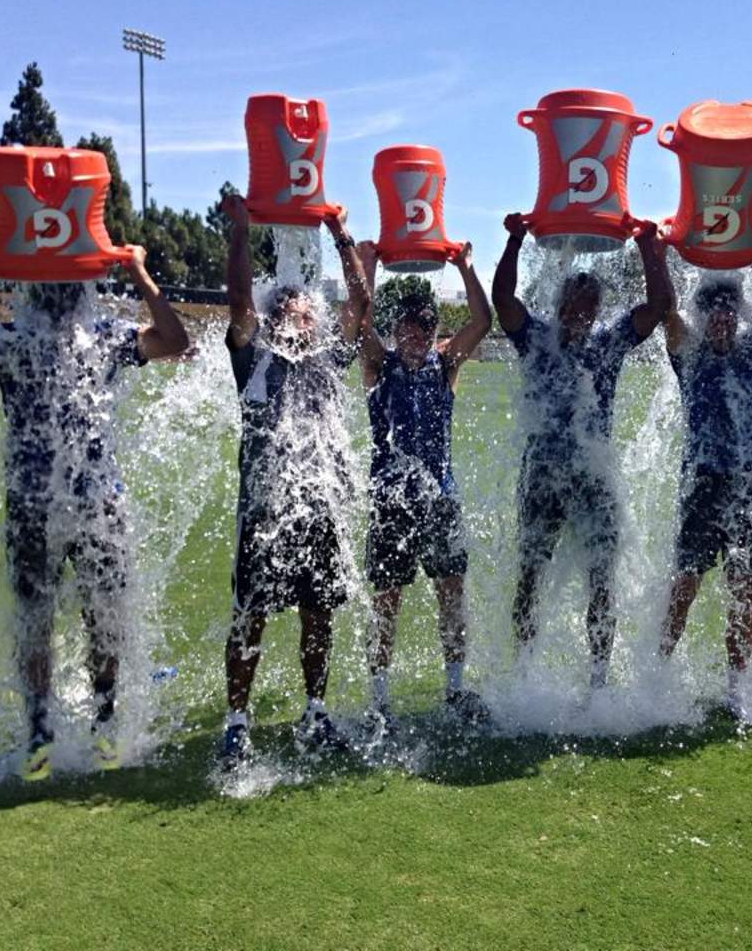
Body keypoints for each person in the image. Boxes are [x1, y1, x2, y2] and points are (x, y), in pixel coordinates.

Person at [0, 244, 189, 780]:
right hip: (34, 502)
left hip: (98, 502)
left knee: (104, 616)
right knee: (35, 617)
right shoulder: (10, 339)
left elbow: (173, 341)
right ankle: (40, 729)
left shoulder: (104, 337)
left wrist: (139, 271)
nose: (60, 291)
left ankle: (103, 719)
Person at [492, 213, 674, 689]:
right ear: (559, 305)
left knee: (601, 580)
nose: (581, 314)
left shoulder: (607, 344)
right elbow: (503, 301)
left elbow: (658, 307)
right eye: (573, 305)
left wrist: (647, 246)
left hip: (594, 479)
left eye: (589, 308)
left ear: (596, 312)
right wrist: (514, 241)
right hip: (542, 478)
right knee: (530, 576)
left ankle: (598, 678)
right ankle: (524, 672)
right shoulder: (536, 340)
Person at [218, 195, 365, 768]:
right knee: (249, 615)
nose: (305, 321)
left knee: (318, 614)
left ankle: (316, 712)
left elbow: (360, 303)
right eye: (295, 314)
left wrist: (341, 233)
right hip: (264, 511)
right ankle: (236, 724)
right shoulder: (252, 359)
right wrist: (240, 231)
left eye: (308, 315)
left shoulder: (328, 362)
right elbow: (238, 301)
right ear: (275, 319)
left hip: (318, 509)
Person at [657, 227, 752, 711]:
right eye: (712, 312)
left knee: (744, 588)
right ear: (702, 317)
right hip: (703, 484)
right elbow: (666, 312)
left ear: (736, 315)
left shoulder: (749, 353)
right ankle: (656, 675)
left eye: (728, 312)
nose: (721, 319)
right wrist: (656, 253)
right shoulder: (689, 356)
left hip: (748, 486)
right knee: (685, 585)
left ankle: (737, 686)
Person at [356, 241, 493, 735]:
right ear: (396, 331)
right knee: (386, 601)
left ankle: (455, 690)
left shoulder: (445, 366)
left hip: (440, 499)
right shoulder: (380, 366)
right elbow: (358, 323)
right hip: (391, 502)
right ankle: (379, 699)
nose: (417, 336)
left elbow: (482, 321)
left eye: (426, 329)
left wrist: (466, 267)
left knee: (452, 594)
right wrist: (368, 266)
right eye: (409, 328)